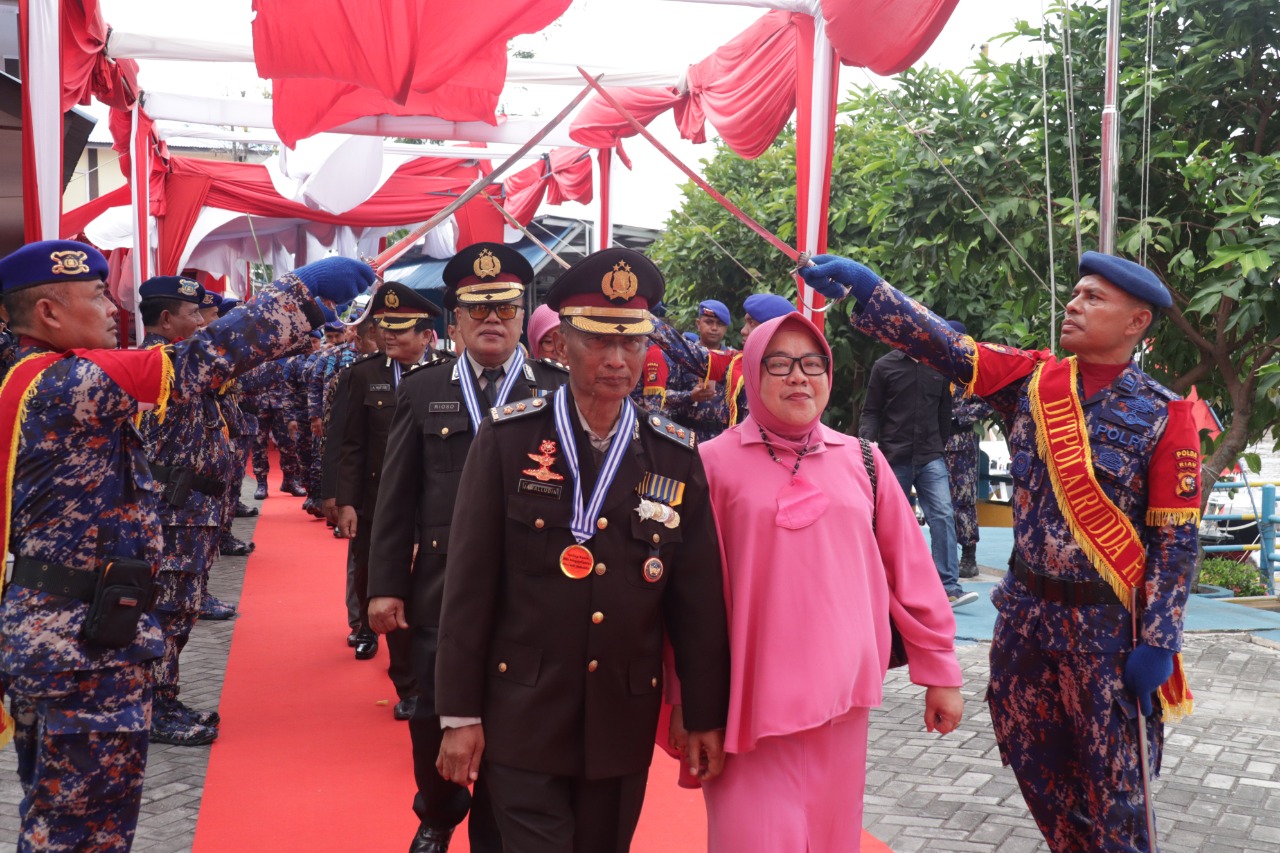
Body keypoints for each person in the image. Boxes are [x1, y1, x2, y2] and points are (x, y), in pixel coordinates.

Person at [800, 251, 1199, 852]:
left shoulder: (1165, 414)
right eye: (1076, 292)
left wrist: (1161, 642)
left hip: (1108, 637)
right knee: (1039, 774)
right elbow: (949, 347)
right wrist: (871, 289)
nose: (1073, 303)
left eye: (1094, 298)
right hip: (1025, 625)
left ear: (1136, 323)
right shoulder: (1034, 383)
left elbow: (1176, 540)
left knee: (1117, 799)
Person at [0, 239, 369, 851]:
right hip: (80, 643)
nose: (113, 308)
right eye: (96, 294)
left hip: (70, 630)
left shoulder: (35, 377)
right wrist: (300, 294)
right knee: (80, 826)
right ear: (48, 312)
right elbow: (201, 359)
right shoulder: (66, 381)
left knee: (67, 812)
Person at [434, 247, 732, 853]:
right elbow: (468, 586)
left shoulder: (674, 455)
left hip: (620, 720)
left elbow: (696, 601)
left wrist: (701, 710)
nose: (619, 361)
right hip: (522, 709)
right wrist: (458, 715)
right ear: (563, 344)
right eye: (600, 342)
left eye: (632, 343)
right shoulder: (507, 438)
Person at [684, 311, 964, 851]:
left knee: (831, 840)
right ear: (752, 372)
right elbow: (689, 600)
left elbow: (910, 573)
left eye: (812, 364)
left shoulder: (863, 459)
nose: (798, 377)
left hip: (842, 701)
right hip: (748, 702)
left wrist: (941, 672)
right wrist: (685, 703)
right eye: (781, 364)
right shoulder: (711, 465)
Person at [368, 242, 567, 853]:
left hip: (531, 591)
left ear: (521, 314)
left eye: (505, 308)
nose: (493, 320)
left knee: (518, 713)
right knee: (432, 714)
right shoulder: (425, 391)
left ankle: (503, 823)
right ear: (453, 320)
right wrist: (383, 584)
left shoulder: (557, 390)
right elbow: (395, 497)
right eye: (477, 309)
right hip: (441, 587)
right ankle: (440, 811)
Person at [135, 274, 234, 744]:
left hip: (191, 511)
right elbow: (240, 347)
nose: (202, 322)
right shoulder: (164, 361)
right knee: (168, 612)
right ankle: (156, 706)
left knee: (179, 612)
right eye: (194, 313)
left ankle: (164, 698)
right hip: (174, 514)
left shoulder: (177, 361)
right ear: (167, 318)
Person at [335, 281, 441, 710]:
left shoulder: (448, 375)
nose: (389, 334)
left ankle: (433, 675)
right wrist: (344, 500)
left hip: (435, 505)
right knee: (384, 585)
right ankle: (408, 685)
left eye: (401, 327)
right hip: (380, 502)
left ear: (427, 334)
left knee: (434, 593)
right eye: (384, 326)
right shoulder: (361, 375)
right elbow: (350, 444)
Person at [859, 329, 977, 608]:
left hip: (930, 456)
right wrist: (867, 445)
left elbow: (943, 412)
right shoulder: (884, 366)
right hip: (892, 456)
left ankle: (948, 586)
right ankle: (882, 584)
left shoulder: (938, 368)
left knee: (943, 515)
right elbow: (871, 410)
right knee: (886, 520)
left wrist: (938, 446)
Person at [942, 321, 995, 579]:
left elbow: (987, 403)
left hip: (962, 445)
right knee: (940, 503)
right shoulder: (938, 367)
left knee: (963, 501)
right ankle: (945, 556)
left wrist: (957, 417)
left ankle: (969, 556)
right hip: (936, 444)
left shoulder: (972, 371)